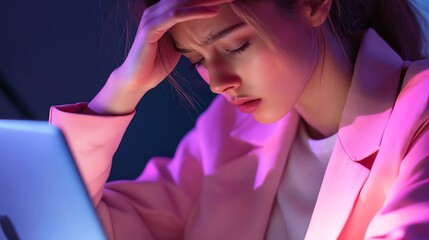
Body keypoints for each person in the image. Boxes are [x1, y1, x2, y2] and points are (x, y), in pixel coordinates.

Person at [49, 0, 429, 239]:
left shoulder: (418, 113)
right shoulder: (226, 132)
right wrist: (121, 90)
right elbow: (62, 223)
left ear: (313, 4)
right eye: (196, 59)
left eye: (236, 46)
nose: (217, 83)